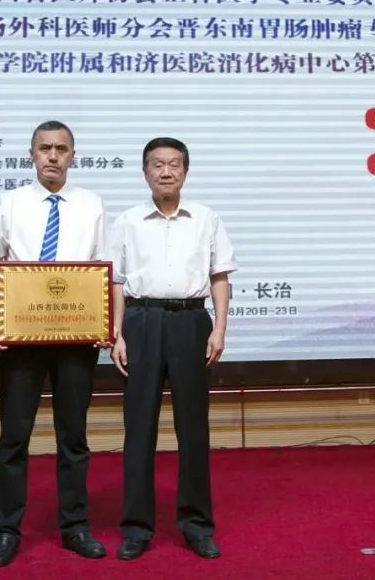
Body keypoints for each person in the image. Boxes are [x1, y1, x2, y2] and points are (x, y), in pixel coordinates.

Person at [0, 120, 109, 568]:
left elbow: (103, 269)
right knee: (14, 437)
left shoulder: (92, 204)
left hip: (76, 336)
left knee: (74, 437)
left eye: (62, 149)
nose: (53, 156)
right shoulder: (11, 202)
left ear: (73, 156)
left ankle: (75, 527)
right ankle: (6, 531)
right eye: (45, 148)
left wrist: (108, 324)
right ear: (31, 154)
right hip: (22, 336)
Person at [108, 137, 238, 561]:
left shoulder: (206, 219)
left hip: (191, 323)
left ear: (186, 170)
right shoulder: (127, 221)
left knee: (193, 429)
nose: (166, 171)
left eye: (174, 164)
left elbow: (219, 277)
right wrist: (117, 334)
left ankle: (196, 525)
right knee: (138, 429)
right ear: (145, 172)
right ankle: (136, 528)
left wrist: (220, 329)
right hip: (141, 322)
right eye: (157, 164)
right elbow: (116, 282)